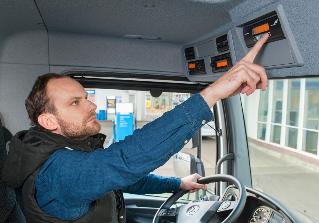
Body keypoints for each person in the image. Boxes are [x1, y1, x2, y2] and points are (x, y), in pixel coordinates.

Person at [1, 34, 269, 223]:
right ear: (49, 122)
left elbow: (122, 177)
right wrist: (211, 95)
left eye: (86, 97)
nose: (92, 106)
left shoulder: (65, 149)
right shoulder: (56, 172)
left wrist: (177, 183)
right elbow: (123, 162)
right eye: (75, 102)